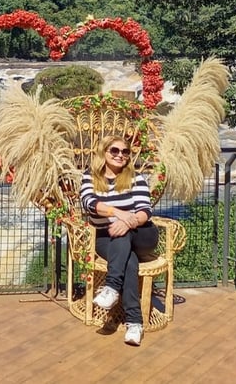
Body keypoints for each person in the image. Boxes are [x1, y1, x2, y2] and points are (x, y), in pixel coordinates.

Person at [80, 135, 158, 346]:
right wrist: (118, 213)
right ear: (104, 153)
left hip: (142, 234)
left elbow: (144, 211)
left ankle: (112, 287)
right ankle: (135, 323)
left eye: (125, 152)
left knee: (122, 232)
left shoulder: (135, 178)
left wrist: (127, 222)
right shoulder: (90, 177)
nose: (120, 155)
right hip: (106, 238)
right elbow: (88, 202)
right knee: (129, 262)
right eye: (114, 151)